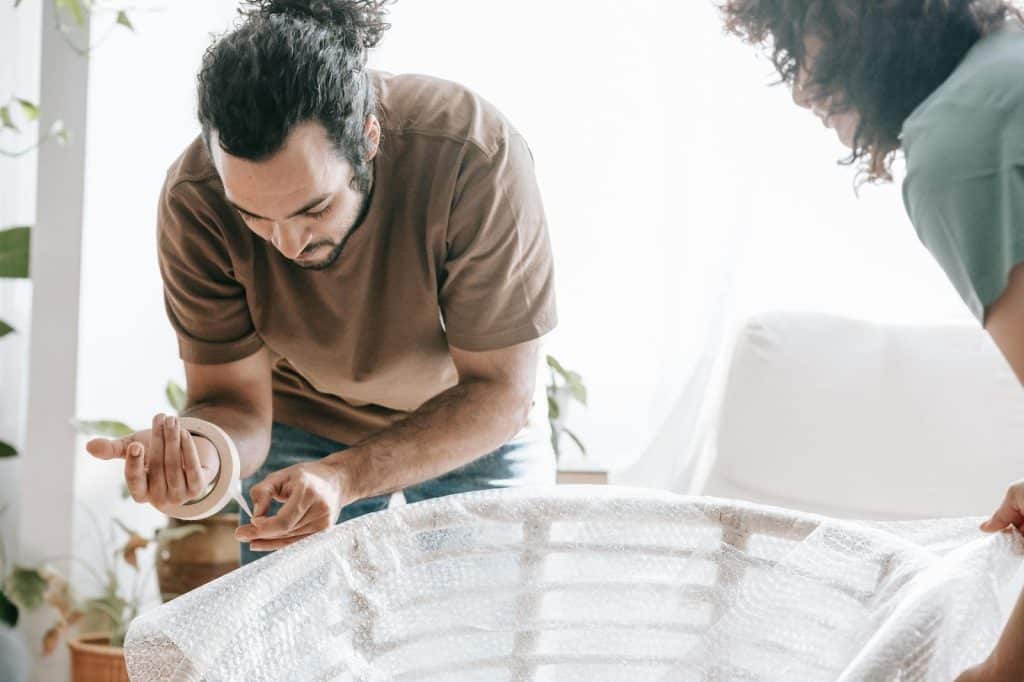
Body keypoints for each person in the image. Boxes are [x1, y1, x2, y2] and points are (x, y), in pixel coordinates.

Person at [85, 0, 557, 566]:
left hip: (469, 419)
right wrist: (206, 459)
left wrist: (348, 475)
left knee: (479, 641)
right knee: (289, 647)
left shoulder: (474, 156)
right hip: (304, 418)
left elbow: (501, 391)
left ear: (370, 139)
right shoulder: (195, 201)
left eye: (314, 208)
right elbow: (233, 402)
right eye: (253, 216)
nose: (286, 244)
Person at [721, 0, 1024, 678]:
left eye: (803, 44)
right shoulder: (1007, 72)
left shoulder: (962, 142)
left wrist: (999, 671)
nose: (800, 88)